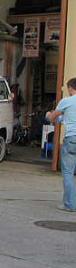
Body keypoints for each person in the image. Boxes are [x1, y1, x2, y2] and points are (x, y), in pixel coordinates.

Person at [46, 77, 76, 212]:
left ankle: (70, 204)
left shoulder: (66, 101)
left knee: (68, 173)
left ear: (70, 87)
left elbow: (53, 118)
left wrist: (48, 115)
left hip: (72, 139)